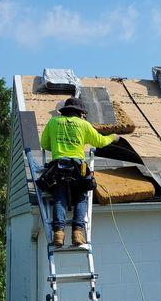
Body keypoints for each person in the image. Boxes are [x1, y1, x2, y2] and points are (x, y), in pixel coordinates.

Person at [40, 97, 119, 247]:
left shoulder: (53, 122)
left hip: (58, 166)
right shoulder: (83, 125)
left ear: (64, 111)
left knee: (59, 198)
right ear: (80, 112)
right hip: (78, 168)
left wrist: (59, 145)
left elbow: (44, 144)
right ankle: (77, 232)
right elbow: (100, 142)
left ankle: (58, 233)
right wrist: (113, 137)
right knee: (82, 196)